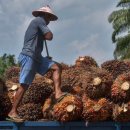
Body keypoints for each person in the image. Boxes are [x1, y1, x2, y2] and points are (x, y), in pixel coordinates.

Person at [7, 5, 67, 122]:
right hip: (29, 56)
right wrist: (45, 34)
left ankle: (58, 93)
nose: (49, 21)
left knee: (56, 67)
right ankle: (12, 112)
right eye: (49, 18)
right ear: (46, 15)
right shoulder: (39, 20)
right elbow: (49, 36)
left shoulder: (39, 24)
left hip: (37, 57)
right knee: (25, 84)